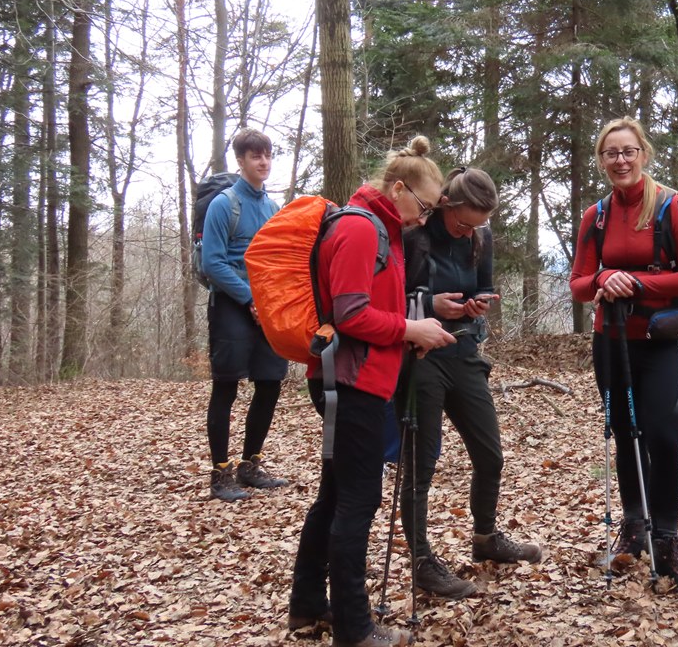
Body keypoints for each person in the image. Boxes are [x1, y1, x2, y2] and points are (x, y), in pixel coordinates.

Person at [287, 136, 456, 647]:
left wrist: (411, 334)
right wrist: (409, 329)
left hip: (356, 379)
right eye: (424, 206)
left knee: (335, 496)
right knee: (357, 502)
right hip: (350, 384)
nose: (424, 218)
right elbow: (351, 313)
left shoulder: (383, 229)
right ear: (398, 189)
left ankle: (308, 605)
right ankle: (355, 628)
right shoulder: (362, 229)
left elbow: (372, 310)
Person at [569, 117, 678, 595]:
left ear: (643, 154)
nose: (620, 160)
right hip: (611, 341)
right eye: (611, 153)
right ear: (601, 160)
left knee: (664, 438)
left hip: (663, 343)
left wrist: (636, 282)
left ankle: (666, 542)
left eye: (628, 151)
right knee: (625, 435)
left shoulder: (673, 206)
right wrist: (604, 278)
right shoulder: (596, 216)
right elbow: (579, 283)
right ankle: (634, 528)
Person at [398, 166, 542, 600]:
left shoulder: (482, 237)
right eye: (462, 224)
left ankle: (485, 538)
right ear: (446, 204)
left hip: (464, 352)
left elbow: (485, 286)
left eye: (477, 225)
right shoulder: (415, 236)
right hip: (421, 358)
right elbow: (391, 298)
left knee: (490, 455)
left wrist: (478, 304)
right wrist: (430, 304)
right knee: (421, 466)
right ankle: (422, 560)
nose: (467, 233)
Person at [203, 127, 289, 502]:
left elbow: (278, 260)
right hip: (230, 305)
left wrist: (272, 301)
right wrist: (249, 299)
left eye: (267, 155)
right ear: (240, 161)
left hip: (266, 307)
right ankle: (220, 474)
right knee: (226, 386)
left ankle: (250, 466)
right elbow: (212, 263)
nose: (263, 162)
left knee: (269, 383)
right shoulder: (223, 205)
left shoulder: (272, 208)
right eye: (256, 156)